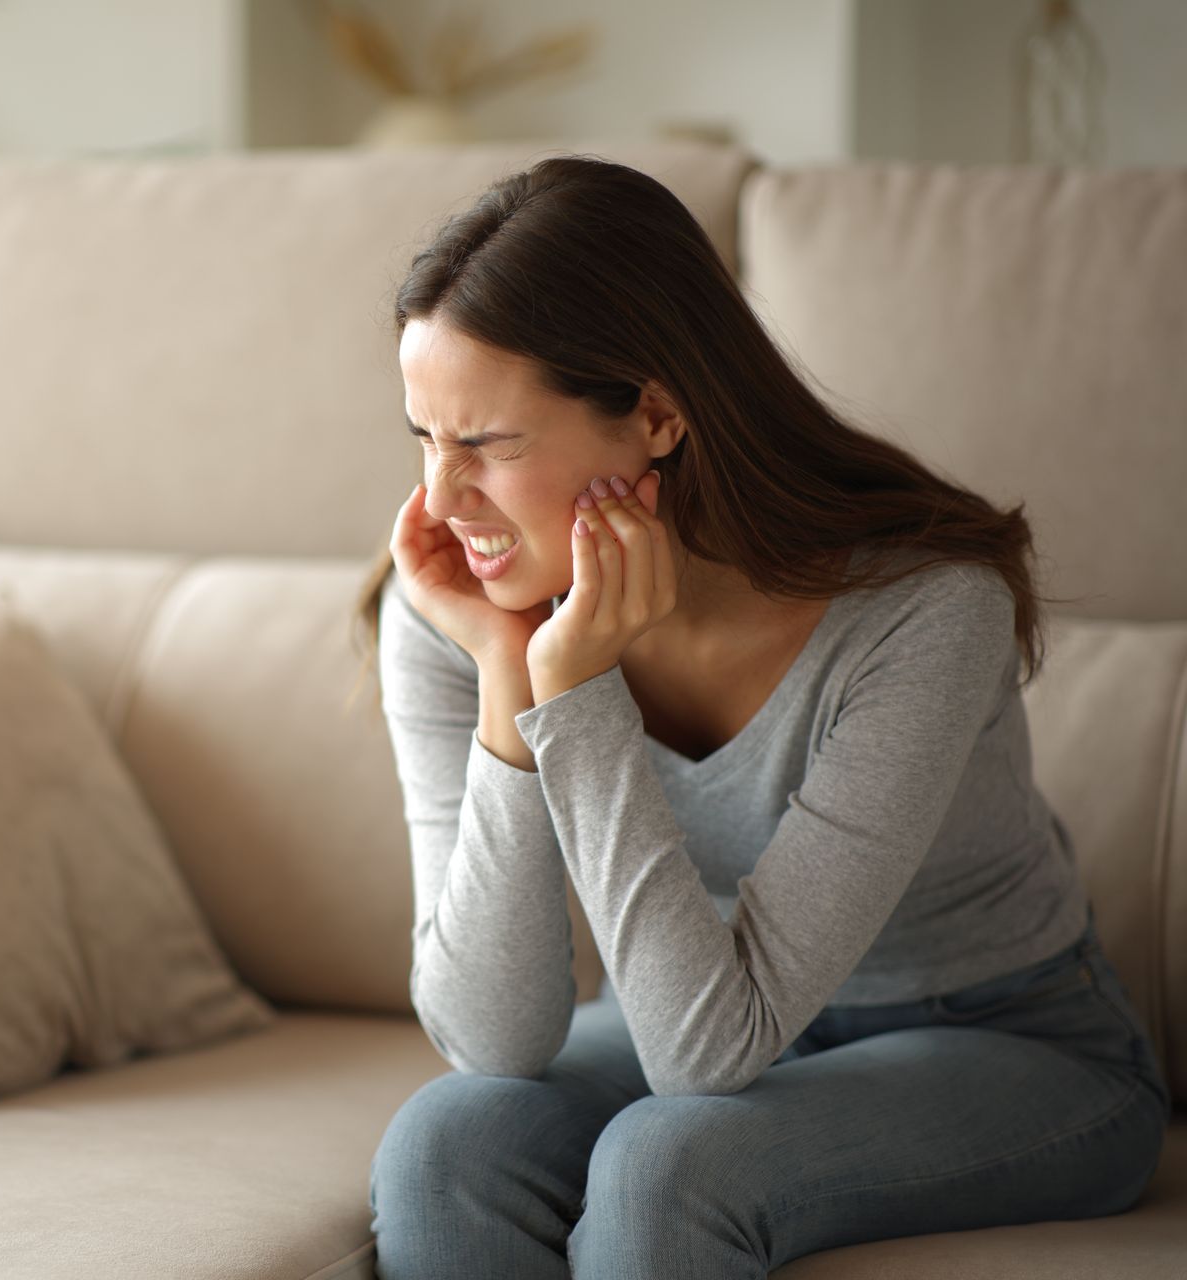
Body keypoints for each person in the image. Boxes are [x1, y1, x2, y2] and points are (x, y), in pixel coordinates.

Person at [347, 154, 1170, 1278]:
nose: (440, 501)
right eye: (423, 439)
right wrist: (509, 677)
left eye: (485, 444)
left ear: (656, 414)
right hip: (718, 1012)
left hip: (1011, 1037)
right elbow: (491, 1038)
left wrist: (577, 692)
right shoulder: (459, 607)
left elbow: (703, 1054)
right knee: (445, 1141)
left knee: (667, 1161)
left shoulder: (924, 613)